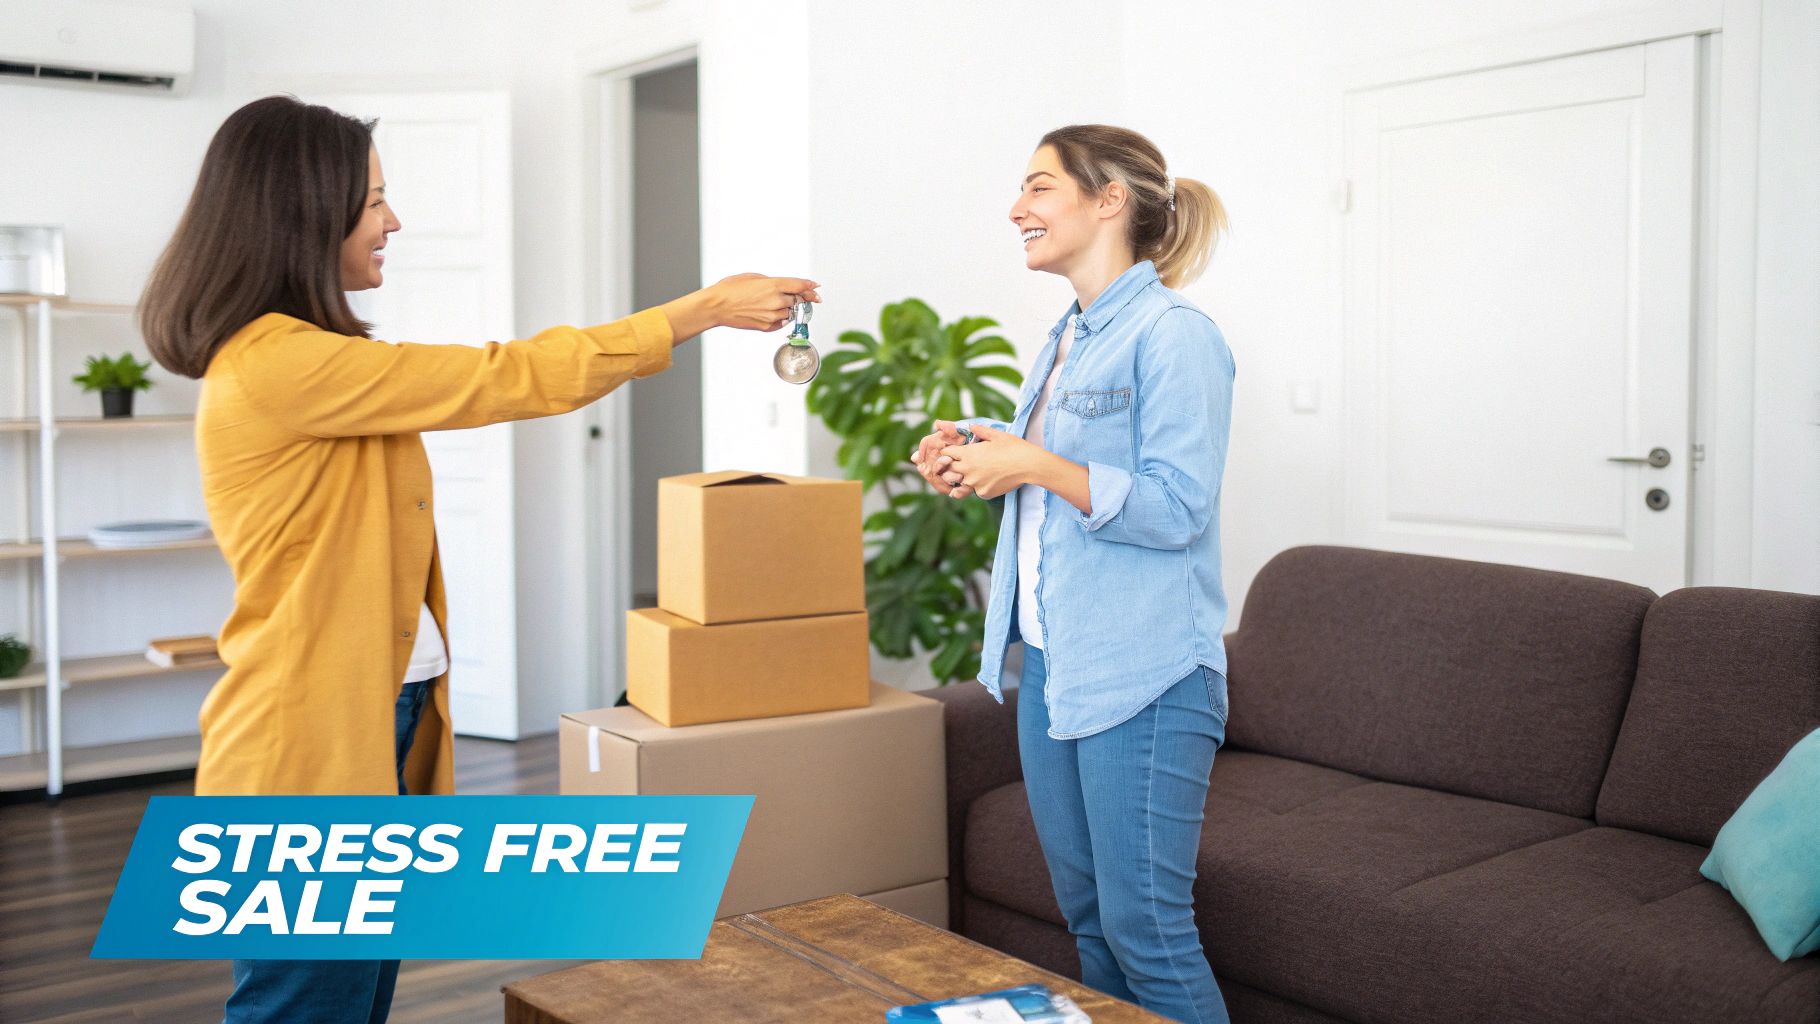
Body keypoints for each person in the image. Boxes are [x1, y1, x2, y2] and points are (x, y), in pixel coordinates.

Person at [138, 94, 817, 1024]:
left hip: (377, 715)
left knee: (349, 996)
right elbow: (504, 375)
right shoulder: (278, 362)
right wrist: (698, 310)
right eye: (374, 200)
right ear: (303, 211)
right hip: (307, 743)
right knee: (305, 1003)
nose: (394, 222)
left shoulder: (311, 359)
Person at [911, 124, 1235, 1023]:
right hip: (1055, 661)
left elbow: (1176, 509)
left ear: (1108, 200)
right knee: (1090, 923)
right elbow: (1058, 491)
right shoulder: (1063, 339)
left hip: (1149, 673)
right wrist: (977, 456)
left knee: (1150, 932)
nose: (1017, 209)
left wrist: (1033, 463)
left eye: (1040, 187)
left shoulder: (1176, 336)